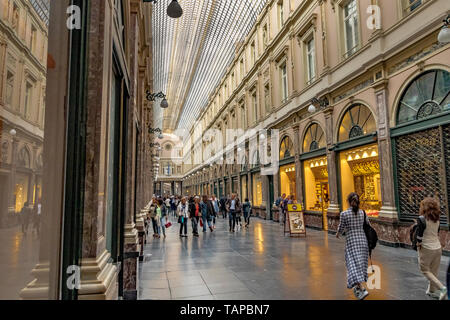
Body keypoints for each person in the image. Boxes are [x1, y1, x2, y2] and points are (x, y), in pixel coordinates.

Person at [336, 192, 370, 300]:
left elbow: (341, 227)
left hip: (352, 242)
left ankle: (361, 288)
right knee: (360, 264)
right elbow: (368, 225)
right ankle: (360, 288)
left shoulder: (344, 214)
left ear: (349, 202)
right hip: (363, 241)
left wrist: (337, 234)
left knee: (352, 264)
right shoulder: (363, 213)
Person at [416, 197, 447, 300]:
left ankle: (442, 288)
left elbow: (419, 236)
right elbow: (437, 233)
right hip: (437, 248)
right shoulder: (437, 219)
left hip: (426, 247)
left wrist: (418, 243)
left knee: (424, 270)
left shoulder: (421, 219)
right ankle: (431, 291)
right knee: (433, 271)